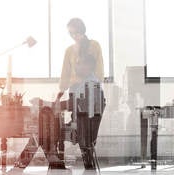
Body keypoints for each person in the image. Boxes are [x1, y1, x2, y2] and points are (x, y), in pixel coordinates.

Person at [11, 18, 105, 172]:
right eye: (71, 33)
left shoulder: (93, 52)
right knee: (45, 123)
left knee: (44, 126)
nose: (74, 35)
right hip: (77, 105)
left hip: (85, 112)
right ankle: (49, 163)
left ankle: (30, 164)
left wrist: (47, 103)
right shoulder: (70, 53)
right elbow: (65, 78)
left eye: (76, 32)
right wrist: (54, 101)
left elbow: (96, 76)